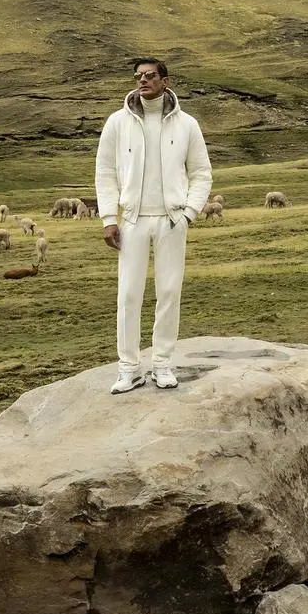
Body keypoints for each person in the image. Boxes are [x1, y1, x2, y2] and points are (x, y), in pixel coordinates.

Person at [93, 58, 212, 393]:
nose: (141, 80)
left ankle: (162, 364)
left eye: (148, 76)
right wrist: (108, 218)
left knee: (169, 292)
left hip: (172, 220)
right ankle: (128, 368)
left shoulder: (186, 124)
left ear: (165, 80)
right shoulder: (117, 123)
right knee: (129, 294)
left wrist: (188, 213)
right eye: (137, 76)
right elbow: (105, 172)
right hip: (131, 220)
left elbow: (201, 173)